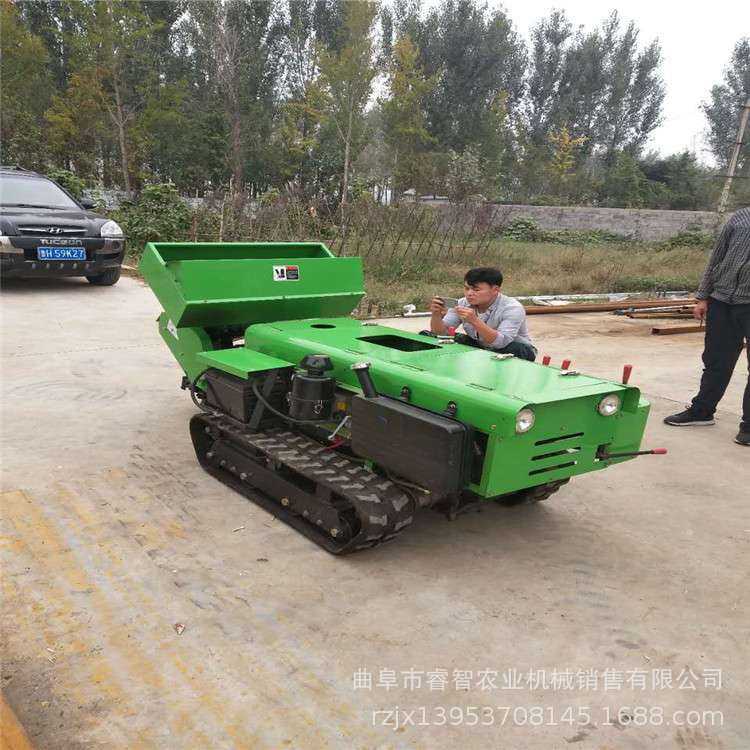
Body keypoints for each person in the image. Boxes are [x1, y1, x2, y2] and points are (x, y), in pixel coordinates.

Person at [664, 206, 750, 446]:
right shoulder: (741, 217)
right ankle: (702, 411)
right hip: (722, 300)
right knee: (716, 361)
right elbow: (717, 256)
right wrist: (703, 296)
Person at [428, 266, 536, 361]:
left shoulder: (512, 308)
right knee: (435, 338)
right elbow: (441, 333)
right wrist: (436, 314)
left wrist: (475, 321)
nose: (469, 293)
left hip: (514, 349)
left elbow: (500, 342)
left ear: (495, 290)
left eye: (476, 290)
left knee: (515, 349)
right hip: (481, 346)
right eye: (466, 288)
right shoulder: (462, 303)